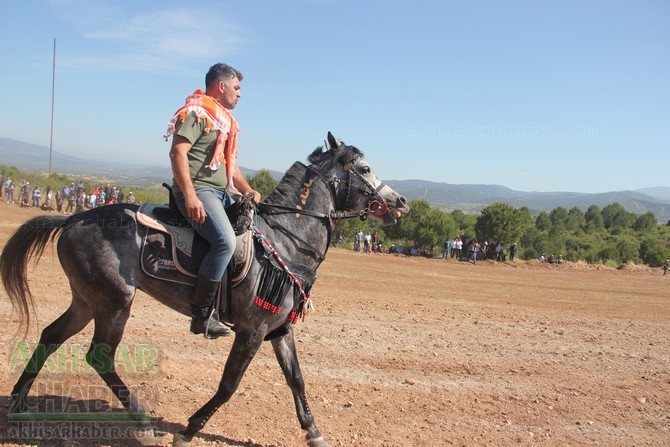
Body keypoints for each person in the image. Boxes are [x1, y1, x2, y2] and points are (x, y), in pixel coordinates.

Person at [166, 62, 261, 338]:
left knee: (255, 234)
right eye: (237, 87)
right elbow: (177, 154)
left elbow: (230, 165)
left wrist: (246, 190)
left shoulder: (224, 121)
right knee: (225, 241)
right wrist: (190, 195)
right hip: (198, 192)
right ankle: (202, 315)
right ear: (221, 86)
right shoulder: (196, 113)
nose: (240, 94)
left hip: (221, 193)